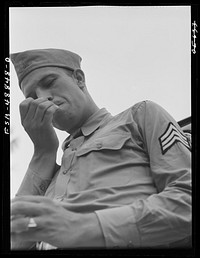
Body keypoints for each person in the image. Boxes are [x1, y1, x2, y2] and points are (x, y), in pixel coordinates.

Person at [10, 48, 191, 250]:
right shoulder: (48, 175)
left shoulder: (139, 116)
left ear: (79, 78)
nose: (43, 98)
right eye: (32, 96)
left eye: (49, 82)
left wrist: (83, 228)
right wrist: (43, 152)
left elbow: (187, 200)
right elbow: (16, 240)